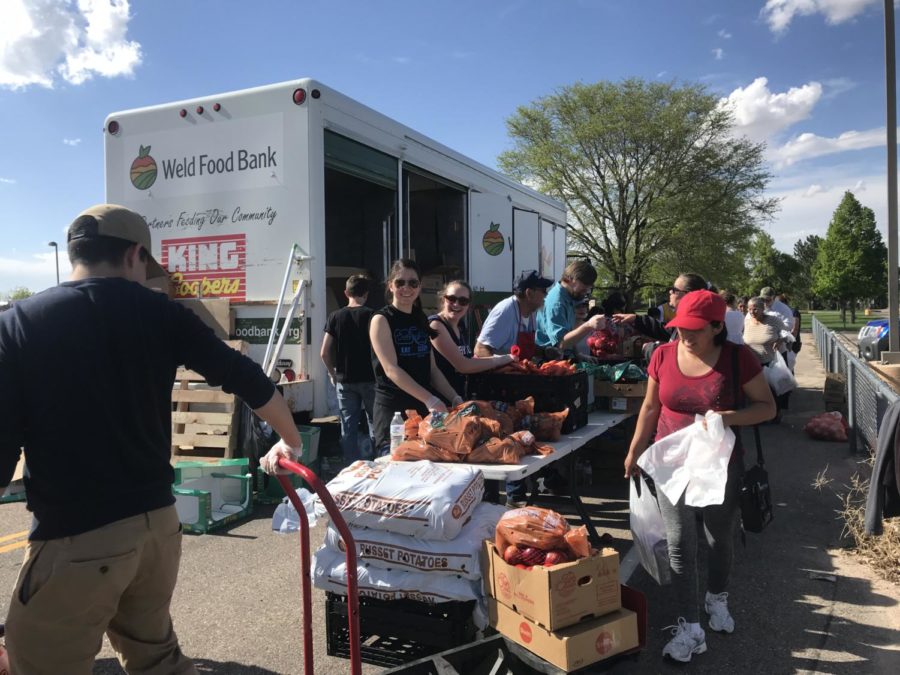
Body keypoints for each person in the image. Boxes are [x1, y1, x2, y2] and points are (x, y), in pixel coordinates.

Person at [0, 204, 303, 675]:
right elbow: (245, 377)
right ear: (135, 255)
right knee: (155, 657)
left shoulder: (18, 323)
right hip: (158, 529)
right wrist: (290, 441)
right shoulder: (162, 313)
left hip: (77, 537)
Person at [623, 290, 775, 663]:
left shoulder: (738, 359)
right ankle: (690, 627)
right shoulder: (662, 354)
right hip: (670, 464)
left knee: (717, 538)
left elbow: (767, 408)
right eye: (679, 328)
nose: (684, 336)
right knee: (679, 542)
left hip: (719, 465)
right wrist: (634, 450)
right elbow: (650, 406)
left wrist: (727, 417)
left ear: (717, 327)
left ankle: (716, 596)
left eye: (693, 330)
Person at [370, 259, 460, 455]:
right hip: (393, 414)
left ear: (419, 287)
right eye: (400, 282)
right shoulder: (381, 319)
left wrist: (454, 397)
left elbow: (433, 370)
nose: (406, 288)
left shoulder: (420, 318)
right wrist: (430, 399)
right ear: (390, 286)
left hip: (423, 414)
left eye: (413, 283)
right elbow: (391, 369)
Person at [321, 274, 376, 463]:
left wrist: (332, 373)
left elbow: (324, 352)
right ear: (366, 294)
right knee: (374, 423)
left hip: (345, 380)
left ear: (346, 293)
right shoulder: (372, 316)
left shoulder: (335, 316)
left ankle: (350, 468)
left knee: (348, 427)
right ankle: (377, 464)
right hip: (370, 379)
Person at [428, 279, 515, 398]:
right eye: (452, 299)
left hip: (460, 397)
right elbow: (463, 365)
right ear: (444, 299)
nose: (456, 304)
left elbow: (470, 358)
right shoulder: (436, 326)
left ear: (468, 305)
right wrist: (503, 359)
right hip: (442, 400)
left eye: (463, 301)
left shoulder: (460, 325)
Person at [474, 270, 553, 359]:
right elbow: (480, 349)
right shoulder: (505, 312)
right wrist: (504, 366)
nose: (546, 294)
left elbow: (525, 349)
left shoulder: (531, 312)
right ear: (529, 293)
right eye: (544, 290)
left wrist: (544, 352)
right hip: (501, 371)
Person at [535, 259, 607, 350]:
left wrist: (578, 354)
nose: (586, 290)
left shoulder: (568, 297)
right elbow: (561, 344)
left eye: (589, 286)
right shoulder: (557, 303)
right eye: (584, 285)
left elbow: (568, 332)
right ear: (569, 279)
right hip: (550, 359)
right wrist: (588, 325)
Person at [614, 273, 708, 342]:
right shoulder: (689, 321)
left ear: (688, 295)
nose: (670, 292)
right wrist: (636, 319)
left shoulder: (696, 327)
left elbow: (679, 354)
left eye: (674, 290)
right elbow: (666, 331)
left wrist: (651, 350)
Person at [743, 296, 790, 423]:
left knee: (771, 392)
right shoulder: (746, 322)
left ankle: (774, 415)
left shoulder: (773, 320)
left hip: (769, 363)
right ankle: (759, 417)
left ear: (763, 308)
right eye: (749, 309)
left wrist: (780, 340)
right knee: (755, 393)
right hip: (752, 364)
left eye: (755, 309)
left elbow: (787, 334)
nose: (752, 312)